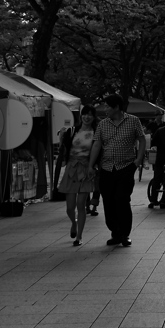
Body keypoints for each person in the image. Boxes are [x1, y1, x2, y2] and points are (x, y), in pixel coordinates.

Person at [89, 94, 146, 247]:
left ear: (116, 107)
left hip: (126, 167)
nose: (105, 109)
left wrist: (138, 159)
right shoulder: (103, 124)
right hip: (106, 168)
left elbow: (142, 139)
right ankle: (115, 232)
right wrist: (91, 165)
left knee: (122, 200)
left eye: (107, 106)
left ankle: (125, 233)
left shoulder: (133, 121)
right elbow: (96, 145)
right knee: (108, 201)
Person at [58, 105, 98, 246]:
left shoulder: (96, 132)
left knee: (81, 204)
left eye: (90, 115)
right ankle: (74, 223)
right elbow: (64, 148)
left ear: (94, 117)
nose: (87, 117)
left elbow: (98, 150)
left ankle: (79, 236)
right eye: (85, 114)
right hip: (71, 169)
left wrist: (93, 167)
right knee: (70, 207)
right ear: (81, 116)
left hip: (86, 169)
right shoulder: (73, 130)